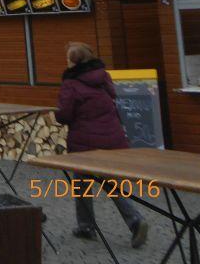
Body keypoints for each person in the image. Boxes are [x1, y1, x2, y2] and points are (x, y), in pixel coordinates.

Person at [55, 42, 148, 249]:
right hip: (113, 138)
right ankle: (121, 222)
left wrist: (58, 111)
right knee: (104, 182)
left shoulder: (71, 83)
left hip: (86, 143)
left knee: (83, 183)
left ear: (74, 61)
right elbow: (112, 97)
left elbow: (64, 115)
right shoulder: (102, 76)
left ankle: (96, 225)